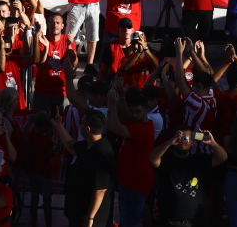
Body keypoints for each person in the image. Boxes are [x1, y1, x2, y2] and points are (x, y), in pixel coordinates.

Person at [149, 127, 227, 226]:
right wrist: (169, 143)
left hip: (195, 219)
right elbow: (152, 158)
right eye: (180, 137)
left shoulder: (199, 160)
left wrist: (212, 143)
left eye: (187, 138)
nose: (183, 141)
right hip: (170, 219)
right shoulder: (166, 160)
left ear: (192, 143)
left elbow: (223, 157)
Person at [52, 109, 115, 227]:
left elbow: (100, 190)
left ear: (88, 129)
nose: (79, 124)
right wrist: (59, 125)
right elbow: (72, 148)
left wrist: (89, 218)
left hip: (89, 218)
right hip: (78, 212)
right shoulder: (88, 144)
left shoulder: (102, 153)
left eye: (81, 122)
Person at [105, 90, 154, 227]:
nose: (134, 115)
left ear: (146, 110)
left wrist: (113, 104)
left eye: (138, 111)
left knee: (130, 222)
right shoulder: (134, 123)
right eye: (132, 111)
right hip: (128, 182)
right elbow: (112, 124)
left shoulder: (144, 128)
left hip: (135, 183)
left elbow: (115, 127)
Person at [32, 13, 77, 112]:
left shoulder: (67, 40)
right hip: (42, 92)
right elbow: (39, 64)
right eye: (52, 22)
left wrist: (69, 46)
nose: (55, 25)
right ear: (48, 24)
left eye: (57, 23)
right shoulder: (42, 39)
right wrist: (46, 47)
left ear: (62, 26)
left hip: (62, 93)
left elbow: (74, 63)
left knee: (63, 124)